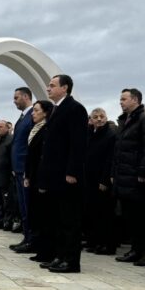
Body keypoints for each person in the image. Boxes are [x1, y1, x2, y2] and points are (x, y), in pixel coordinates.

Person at [37, 74, 88, 273]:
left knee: (70, 220)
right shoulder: (56, 110)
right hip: (54, 176)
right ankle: (59, 256)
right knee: (58, 219)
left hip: (67, 175)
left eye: (52, 85)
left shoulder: (75, 109)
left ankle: (71, 261)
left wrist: (73, 171)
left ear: (65, 88)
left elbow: (78, 143)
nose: (48, 88)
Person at [112, 88, 145, 267]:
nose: (121, 102)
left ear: (135, 100)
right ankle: (136, 250)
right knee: (131, 217)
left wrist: (142, 172)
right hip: (125, 177)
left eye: (124, 99)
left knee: (143, 218)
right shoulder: (126, 121)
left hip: (137, 179)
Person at [83, 108, 118, 255]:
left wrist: (105, 179)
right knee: (93, 212)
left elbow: (110, 159)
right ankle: (95, 241)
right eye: (95, 117)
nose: (99, 119)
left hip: (102, 179)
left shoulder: (110, 135)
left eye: (102, 116)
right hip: (90, 179)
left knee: (105, 214)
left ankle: (107, 244)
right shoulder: (91, 133)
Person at [23, 100, 53, 263]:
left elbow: (43, 158)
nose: (33, 113)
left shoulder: (47, 130)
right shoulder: (34, 129)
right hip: (33, 177)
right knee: (35, 214)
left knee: (43, 215)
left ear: (45, 113)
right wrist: (27, 176)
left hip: (42, 179)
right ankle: (38, 247)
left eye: (36, 110)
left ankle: (45, 251)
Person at [10, 87, 35, 252]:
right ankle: (26, 237)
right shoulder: (23, 117)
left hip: (26, 168)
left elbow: (31, 143)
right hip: (18, 168)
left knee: (28, 205)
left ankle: (31, 240)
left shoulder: (32, 115)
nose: (14, 100)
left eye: (16, 97)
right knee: (22, 205)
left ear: (26, 97)